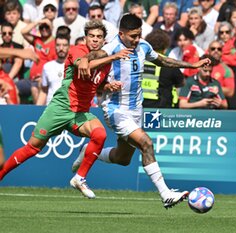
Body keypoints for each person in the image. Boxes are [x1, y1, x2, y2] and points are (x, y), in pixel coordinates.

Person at [72, 14, 211, 208]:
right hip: (115, 109)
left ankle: (88, 151)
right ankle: (166, 194)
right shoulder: (111, 47)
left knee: (123, 158)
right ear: (121, 34)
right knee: (146, 143)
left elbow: (162, 60)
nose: (136, 39)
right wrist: (85, 60)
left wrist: (192, 65)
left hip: (136, 110)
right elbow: (92, 56)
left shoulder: (143, 46)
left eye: (139, 35)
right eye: (133, 36)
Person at [0, 20, 132, 199]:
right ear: (85, 38)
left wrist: (108, 86)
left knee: (100, 134)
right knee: (32, 148)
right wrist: (114, 57)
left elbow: (95, 83)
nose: (95, 40)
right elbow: (84, 67)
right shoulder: (78, 50)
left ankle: (80, 177)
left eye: (99, 37)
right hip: (60, 108)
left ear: (103, 41)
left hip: (81, 113)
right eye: (91, 36)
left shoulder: (104, 60)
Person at [142, 29, 184, 108]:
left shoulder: (140, 61)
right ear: (165, 48)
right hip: (162, 109)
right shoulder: (170, 64)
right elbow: (181, 83)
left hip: (139, 106)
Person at [21, 18, 57, 104]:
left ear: (51, 28)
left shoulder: (56, 43)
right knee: (12, 87)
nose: (44, 29)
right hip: (31, 78)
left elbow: (55, 65)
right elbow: (23, 32)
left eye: (46, 27)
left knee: (35, 89)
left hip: (44, 78)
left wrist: (43, 76)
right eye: (41, 27)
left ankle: (39, 115)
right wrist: (37, 22)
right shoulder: (37, 41)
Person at [36, 34, 70, 105]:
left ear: (69, 47)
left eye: (64, 45)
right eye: (58, 45)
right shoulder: (47, 66)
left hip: (68, 108)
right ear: (55, 47)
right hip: (51, 107)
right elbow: (44, 91)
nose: (61, 48)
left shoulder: (73, 66)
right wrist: (37, 108)